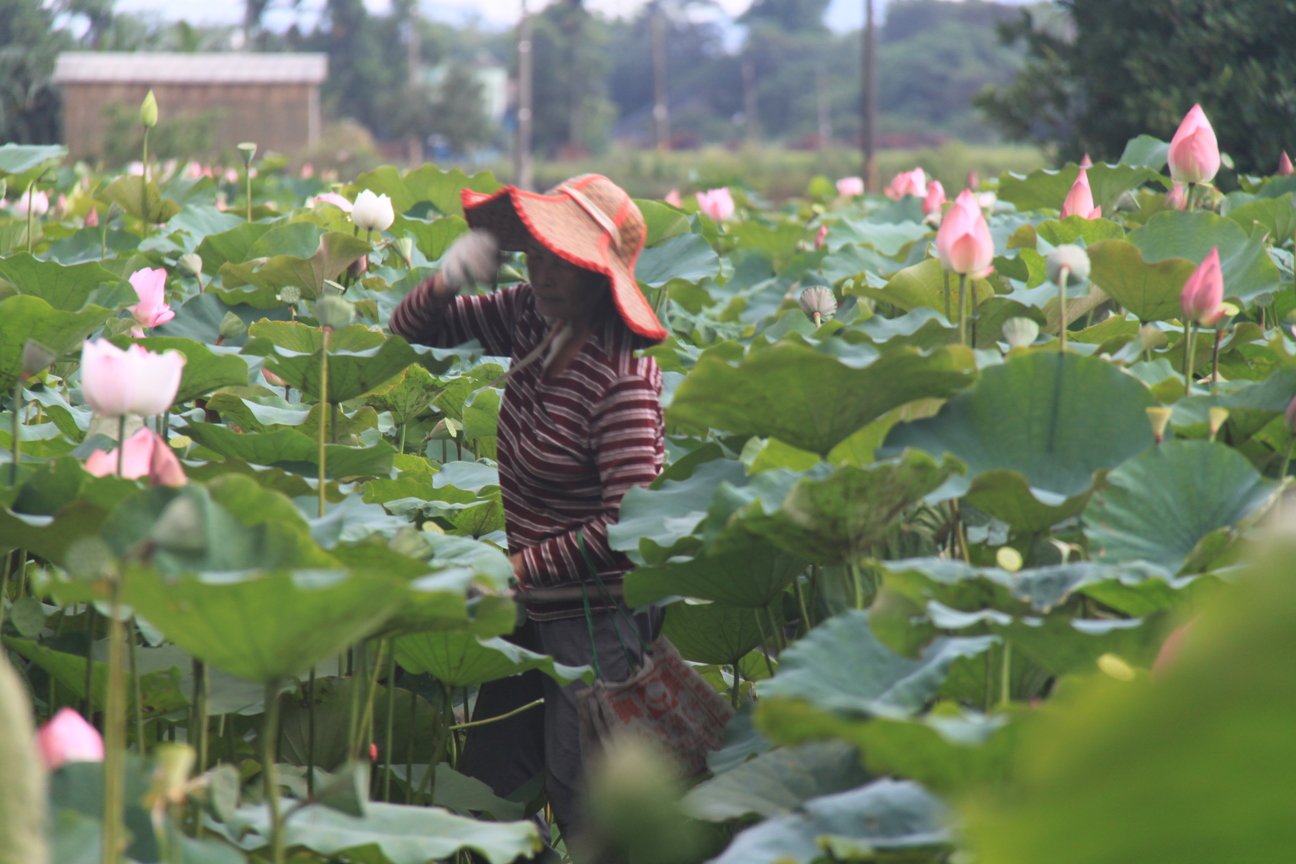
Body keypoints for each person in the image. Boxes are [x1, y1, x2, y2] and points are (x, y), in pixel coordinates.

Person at [388, 174, 669, 851]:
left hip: (595, 617)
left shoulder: (621, 376)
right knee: (486, 790)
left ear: (600, 274)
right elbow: (413, 328)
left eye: (563, 258)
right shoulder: (528, 315)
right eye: (537, 250)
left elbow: (631, 524)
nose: (541, 269)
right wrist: (453, 272)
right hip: (528, 605)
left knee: (587, 810)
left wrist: (519, 566)